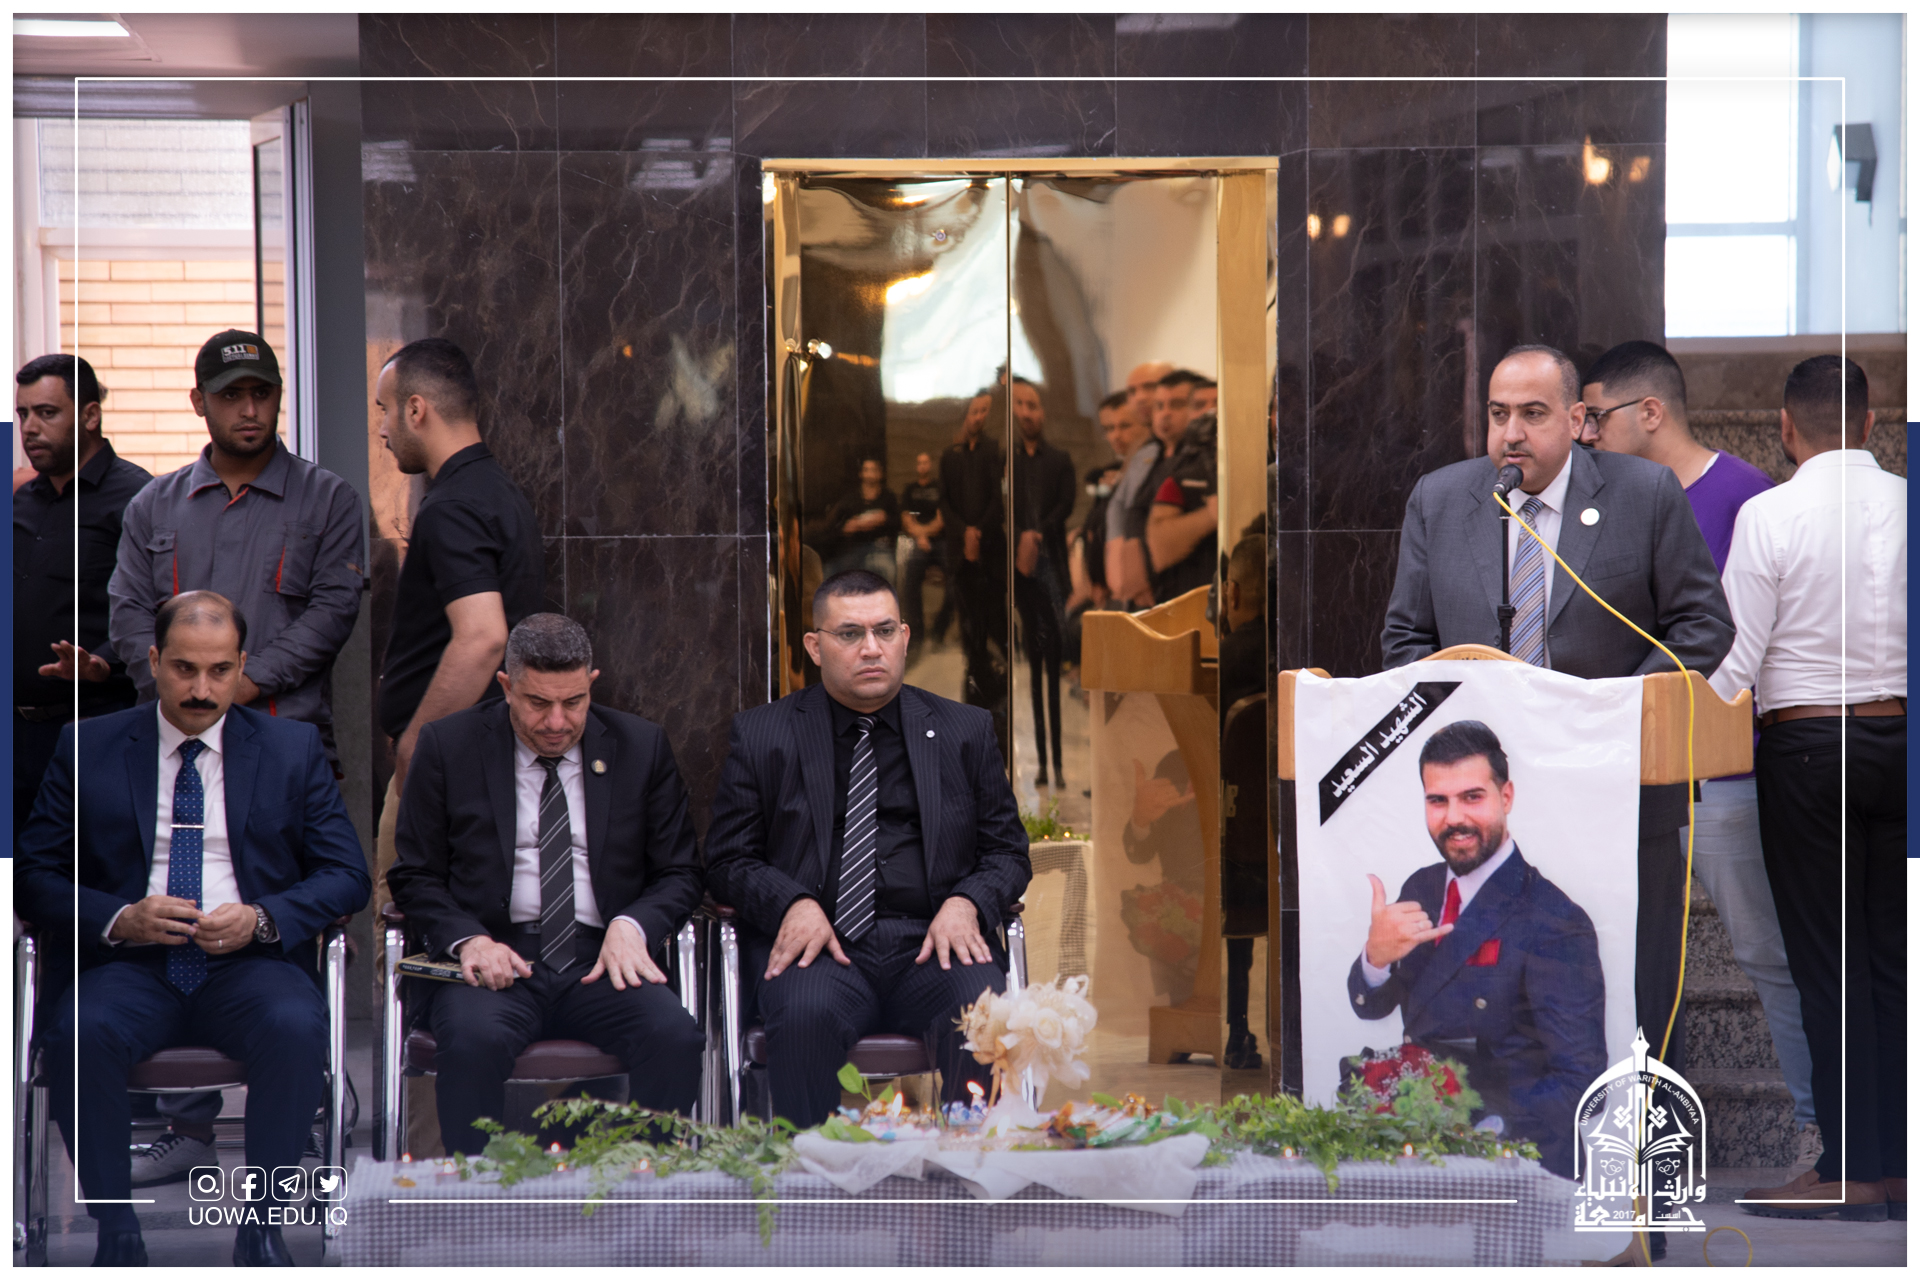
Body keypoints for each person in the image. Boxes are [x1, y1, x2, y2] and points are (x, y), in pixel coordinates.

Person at [1381, 344, 1733, 1084]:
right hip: (1489, 805)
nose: (1512, 434)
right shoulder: (1441, 500)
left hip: (1620, 790)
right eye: (1498, 414)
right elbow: (1406, 639)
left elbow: (1703, 623)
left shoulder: (1644, 493)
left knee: (1634, 989)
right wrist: (1470, 715)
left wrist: (1609, 713)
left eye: (1533, 414)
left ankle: (1637, 1139)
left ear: (1577, 421)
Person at [16, 591, 370, 1266]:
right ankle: (117, 1230)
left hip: (250, 964)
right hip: (128, 965)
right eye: (184, 669)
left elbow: (347, 875)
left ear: (241, 665)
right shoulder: (88, 747)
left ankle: (262, 1227)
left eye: (219, 670)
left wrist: (263, 918)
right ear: (153, 661)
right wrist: (120, 916)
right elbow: (34, 875)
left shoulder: (291, 749)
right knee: (80, 1031)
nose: (201, 689)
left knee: (295, 1026)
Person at [1583, 340, 1817, 1172]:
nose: (1585, 435)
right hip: (1623, 773)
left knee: (1765, 954)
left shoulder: (1747, 497)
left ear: (1649, 412)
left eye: (1595, 416)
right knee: (1625, 957)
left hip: (1723, 772)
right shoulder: (1606, 504)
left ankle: (1820, 1130)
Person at [705, 570, 1031, 1126]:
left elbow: (1007, 852)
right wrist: (792, 903)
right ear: (815, 647)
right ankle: (811, 1171)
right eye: (850, 634)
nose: (871, 648)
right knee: (803, 1015)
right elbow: (727, 859)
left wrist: (966, 903)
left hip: (931, 943)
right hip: (820, 947)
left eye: (884, 631)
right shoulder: (764, 735)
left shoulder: (964, 730)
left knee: (980, 1012)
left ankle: (972, 1167)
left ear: (905, 637)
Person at [386, 614, 705, 1154]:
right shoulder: (449, 745)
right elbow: (414, 874)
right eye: (538, 703)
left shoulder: (640, 746)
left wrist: (633, 925)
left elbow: (680, 871)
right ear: (506, 686)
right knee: (473, 1041)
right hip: (496, 957)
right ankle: (478, 1186)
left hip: (602, 959)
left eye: (574, 702)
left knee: (674, 1037)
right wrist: (470, 940)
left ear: (592, 683)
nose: (557, 721)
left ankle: (646, 1183)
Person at [1713, 356, 1906, 1222]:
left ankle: (1849, 1167)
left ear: (1785, 429)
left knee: (1830, 968)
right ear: (1872, 423)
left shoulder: (1769, 513)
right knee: (1895, 962)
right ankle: (1899, 1165)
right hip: (1903, 743)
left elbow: (1733, 664)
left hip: (1807, 751)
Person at [1347, 720, 1606, 1178]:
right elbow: (1373, 1006)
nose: (1454, 818)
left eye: (1472, 797)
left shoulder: (1554, 918)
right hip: (1422, 1153)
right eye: (1438, 801)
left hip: (1518, 1165)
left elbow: (1581, 1082)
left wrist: (1475, 1126)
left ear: (1506, 797)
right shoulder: (1422, 887)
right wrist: (1376, 956)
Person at [109, 331, 366, 768]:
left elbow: (332, 612)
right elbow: (127, 614)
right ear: (199, 401)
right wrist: (183, 689)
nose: (250, 410)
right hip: (171, 742)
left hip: (283, 742)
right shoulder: (153, 505)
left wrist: (245, 682)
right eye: (230, 395)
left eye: (262, 393)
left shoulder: (328, 499)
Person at [372, 336, 545, 927]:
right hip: (484, 762)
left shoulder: (453, 506)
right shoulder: (498, 493)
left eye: (385, 410)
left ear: (416, 409)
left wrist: (416, 744)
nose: (382, 430)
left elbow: (482, 637)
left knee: (410, 942)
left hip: (446, 771)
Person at [14, 354, 150, 841]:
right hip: (17, 737)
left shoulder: (139, 499)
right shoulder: (22, 501)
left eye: (47, 413)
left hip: (94, 728)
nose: (30, 428)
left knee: (84, 876)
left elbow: (157, 608)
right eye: (23, 413)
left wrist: (102, 664)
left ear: (90, 415)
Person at [1010, 377, 1075, 788]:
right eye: (1020, 406)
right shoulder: (1010, 461)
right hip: (1023, 575)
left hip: (1051, 568)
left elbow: (1066, 504)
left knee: (1053, 670)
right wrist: (1021, 537)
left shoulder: (1060, 459)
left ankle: (1060, 766)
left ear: (1043, 412)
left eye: (1032, 405)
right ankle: (1041, 765)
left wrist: (1037, 533)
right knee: (1033, 672)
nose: (1026, 413)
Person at [1218, 534, 1267, 1070]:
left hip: (1231, 835)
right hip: (1279, 835)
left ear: (1231, 593)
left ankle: (1235, 1030)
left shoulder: (1225, 662)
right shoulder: (1294, 656)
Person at [938, 390, 1009, 721]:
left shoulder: (994, 451)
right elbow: (944, 502)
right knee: (968, 624)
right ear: (965, 414)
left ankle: (998, 697)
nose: (978, 417)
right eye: (974, 411)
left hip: (990, 549)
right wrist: (964, 533)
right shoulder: (949, 456)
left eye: (984, 411)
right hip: (959, 551)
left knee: (994, 620)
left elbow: (998, 499)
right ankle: (973, 699)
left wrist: (978, 531)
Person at [1107, 363, 1173, 608]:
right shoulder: (1144, 450)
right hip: (1132, 579)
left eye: (1149, 387)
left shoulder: (1172, 447)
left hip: (1159, 578)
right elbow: (1121, 510)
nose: (1140, 397)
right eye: (1132, 391)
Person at [820, 457, 901, 583]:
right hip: (854, 548)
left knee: (888, 570)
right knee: (830, 571)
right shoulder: (851, 499)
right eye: (866, 470)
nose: (870, 474)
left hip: (880, 548)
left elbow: (897, 523)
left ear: (880, 474)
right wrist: (848, 528)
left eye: (873, 470)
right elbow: (835, 527)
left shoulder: (888, 497)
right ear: (861, 474)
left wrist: (884, 519)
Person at [897, 451, 944, 644]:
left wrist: (924, 534)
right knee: (910, 579)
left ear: (930, 465)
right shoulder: (910, 489)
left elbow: (942, 519)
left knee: (957, 578)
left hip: (940, 541)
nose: (923, 466)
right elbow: (906, 518)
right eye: (919, 463)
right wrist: (921, 536)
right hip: (918, 542)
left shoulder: (939, 487)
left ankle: (940, 629)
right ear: (916, 466)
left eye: (926, 462)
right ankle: (916, 634)